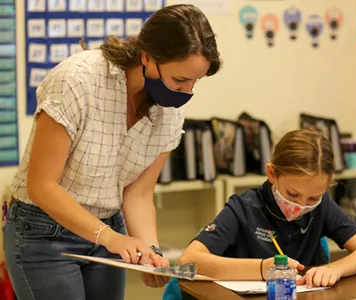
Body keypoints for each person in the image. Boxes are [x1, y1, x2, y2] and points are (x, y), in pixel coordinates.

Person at [3, 4, 221, 300]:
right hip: (44, 231)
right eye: (179, 80)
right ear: (147, 57)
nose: (186, 92)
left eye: (195, 82)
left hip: (108, 229)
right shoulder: (78, 79)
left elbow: (138, 194)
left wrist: (150, 252)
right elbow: (42, 186)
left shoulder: (170, 112)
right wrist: (110, 238)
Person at [179, 129, 356, 288]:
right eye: (292, 194)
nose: (300, 206)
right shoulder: (244, 208)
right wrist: (261, 269)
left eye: (313, 197)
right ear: (271, 174)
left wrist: (334, 269)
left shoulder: (322, 207)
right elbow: (188, 260)